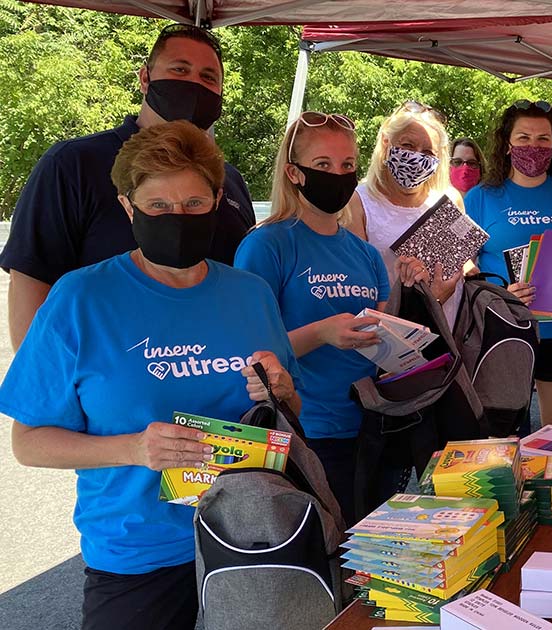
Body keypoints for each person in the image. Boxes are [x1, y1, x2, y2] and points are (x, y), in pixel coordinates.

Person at [0, 121, 299, 630]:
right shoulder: (81, 299)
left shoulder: (250, 293)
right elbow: (29, 442)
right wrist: (133, 449)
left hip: (254, 533)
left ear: (216, 200)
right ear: (127, 206)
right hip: (138, 551)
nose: (176, 218)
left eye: (193, 204)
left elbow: (286, 413)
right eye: (158, 206)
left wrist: (283, 392)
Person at [0, 23, 255, 350]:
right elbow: (32, 277)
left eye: (208, 78)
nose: (194, 84)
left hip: (217, 378)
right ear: (145, 78)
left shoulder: (229, 181)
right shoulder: (74, 164)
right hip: (106, 385)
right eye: (180, 70)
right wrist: (48, 385)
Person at [234, 112, 389, 522]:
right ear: (294, 172)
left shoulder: (366, 254)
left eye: (347, 166)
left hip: (371, 424)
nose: (338, 175)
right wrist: (322, 332)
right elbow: (250, 352)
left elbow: (381, 333)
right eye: (322, 165)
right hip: (308, 430)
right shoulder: (266, 246)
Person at [465, 100, 552, 423]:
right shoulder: (480, 197)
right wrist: (498, 293)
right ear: (507, 144)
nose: (533, 146)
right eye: (524, 138)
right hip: (504, 330)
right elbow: (463, 264)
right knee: (502, 433)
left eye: (543, 138)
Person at [345, 102, 463, 324]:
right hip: (389, 333)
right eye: (408, 146)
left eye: (428, 152)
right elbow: (356, 285)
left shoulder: (450, 198)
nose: (417, 158)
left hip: (447, 328)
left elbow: (456, 266)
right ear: (386, 143)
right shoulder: (358, 202)